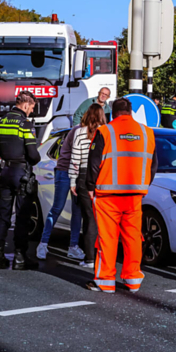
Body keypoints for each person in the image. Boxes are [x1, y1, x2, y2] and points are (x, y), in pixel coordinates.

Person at [84, 98, 157, 293]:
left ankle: (105, 281)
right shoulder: (146, 132)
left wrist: (90, 186)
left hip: (108, 194)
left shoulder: (105, 131)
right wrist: (143, 185)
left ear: (112, 114)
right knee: (133, 237)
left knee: (107, 238)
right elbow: (153, 164)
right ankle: (133, 279)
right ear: (131, 112)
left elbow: (93, 162)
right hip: (134, 195)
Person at [0, 91, 42, 270]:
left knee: (2, 216)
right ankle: (20, 257)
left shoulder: (1, 122)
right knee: (22, 216)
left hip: (5, 172)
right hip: (21, 173)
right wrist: (32, 158)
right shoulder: (25, 124)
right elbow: (33, 155)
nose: (31, 111)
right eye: (32, 107)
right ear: (26, 104)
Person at [35, 127, 84, 262]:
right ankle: (43, 244)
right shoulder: (78, 131)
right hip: (65, 172)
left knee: (75, 211)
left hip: (72, 173)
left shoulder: (81, 131)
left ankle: (72, 246)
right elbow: (76, 158)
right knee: (58, 208)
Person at [68, 103, 107, 268]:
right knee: (101, 218)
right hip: (102, 176)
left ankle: (89, 257)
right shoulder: (106, 132)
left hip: (83, 176)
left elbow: (75, 159)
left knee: (88, 217)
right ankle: (101, 255)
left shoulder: (79, 132)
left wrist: (72, 180)